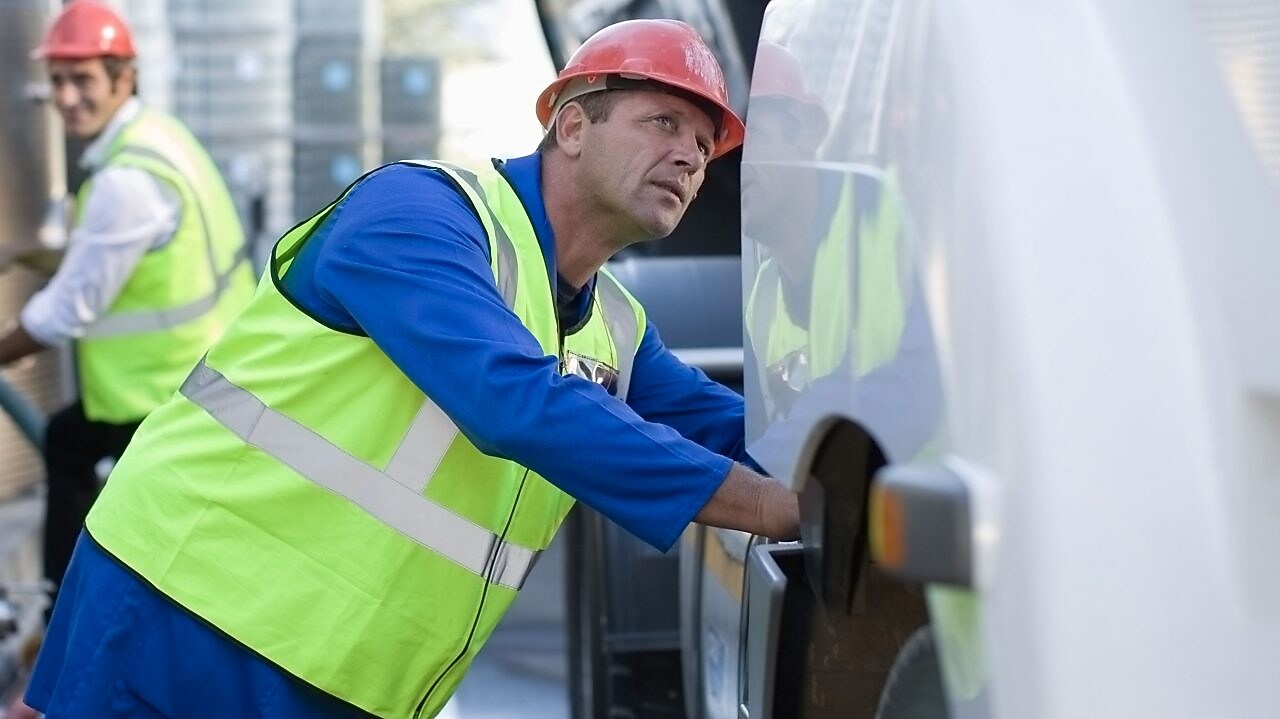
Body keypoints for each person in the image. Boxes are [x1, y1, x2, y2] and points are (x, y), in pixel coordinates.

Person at [19, 17, 800, 719]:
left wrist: (841, 471)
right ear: (570, 125)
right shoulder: (417, 215)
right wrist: (768, 505)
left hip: (342, 670)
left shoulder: (614, 326)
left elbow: (735, 427)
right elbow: (511, 402)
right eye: (663, 121)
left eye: (703, 144)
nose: (688, 157)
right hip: (187, 614)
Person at [0, 0, 254, 607]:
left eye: (82, 79)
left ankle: (62, 610)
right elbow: (109, 260)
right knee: (72, 445)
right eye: (58, 81)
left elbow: (67, 310)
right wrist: (22, 254)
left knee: (70, 450)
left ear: (123, 77)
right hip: (214, 375)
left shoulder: (124, 181)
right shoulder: (158, 139)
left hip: (166, 396)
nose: (66, 98)